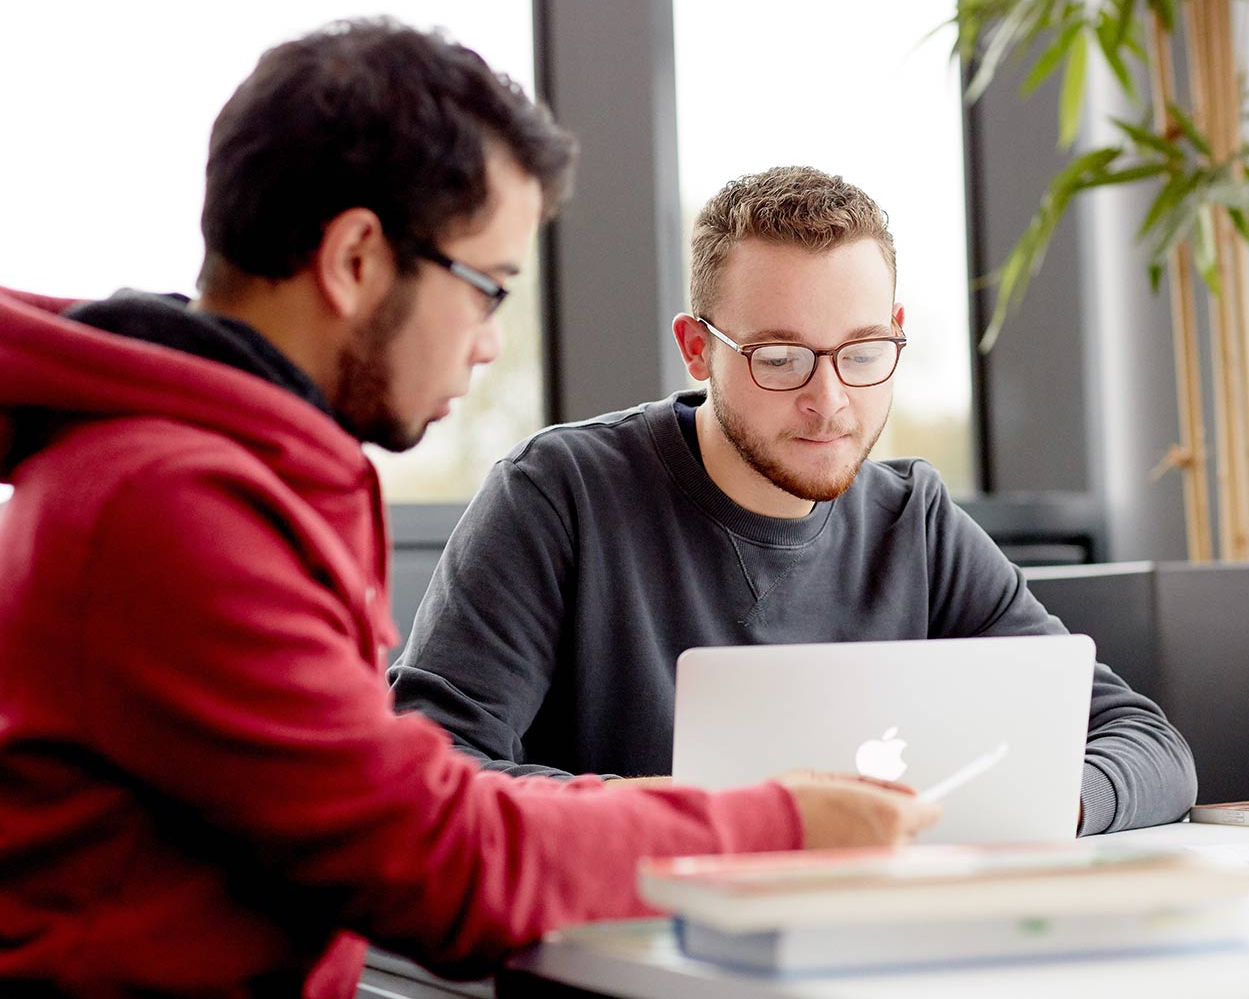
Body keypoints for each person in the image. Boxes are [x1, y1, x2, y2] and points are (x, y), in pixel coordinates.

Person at [0, 21, 935, 998]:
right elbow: (437, 856)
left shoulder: (230, 476)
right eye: (487, 288)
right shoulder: (167, 506)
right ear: (356, 258)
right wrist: (777, 824)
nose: (489, 346)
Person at [390, 165, 1198, 835]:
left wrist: (1038, 803)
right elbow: (433, 769)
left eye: (863, 352)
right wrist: (731, 823)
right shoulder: (557, 494)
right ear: (698, 348)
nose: (830, 401)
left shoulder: (912, 521)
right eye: (780, 359)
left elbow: (1147, 743)